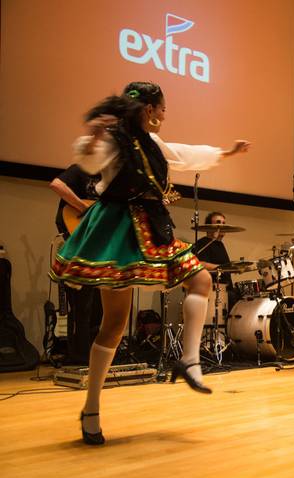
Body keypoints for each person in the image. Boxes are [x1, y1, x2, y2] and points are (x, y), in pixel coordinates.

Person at [49, 81, 250, 445]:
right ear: (149, 109)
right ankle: (91, 409)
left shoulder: (152, 144)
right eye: (162, 109)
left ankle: (189, 361)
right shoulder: (115, 140)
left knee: (201, 279)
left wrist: (226, 153)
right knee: (113, 324)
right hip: (118, 230)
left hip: (152, 226)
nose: (163, 116)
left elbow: (183, 154)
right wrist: (94, 138)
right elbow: (89, 160)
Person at [50, 165, 103, 364]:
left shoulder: (112, 177)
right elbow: (56, 184)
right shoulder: (81, 169)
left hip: (100, 246)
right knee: (82, 305)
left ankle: (97, 357)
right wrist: (84, 208)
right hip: (78, 245)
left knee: (100, 306)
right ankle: (80, 358)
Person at [192, 211, 238, 307]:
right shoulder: (203, 243)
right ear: (209, 227)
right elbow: (199, 264)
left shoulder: (220, 244)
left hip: (225, 290)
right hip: (213, 293)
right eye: (218, 222)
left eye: (223, 223)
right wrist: (223, 268)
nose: (222, 226)